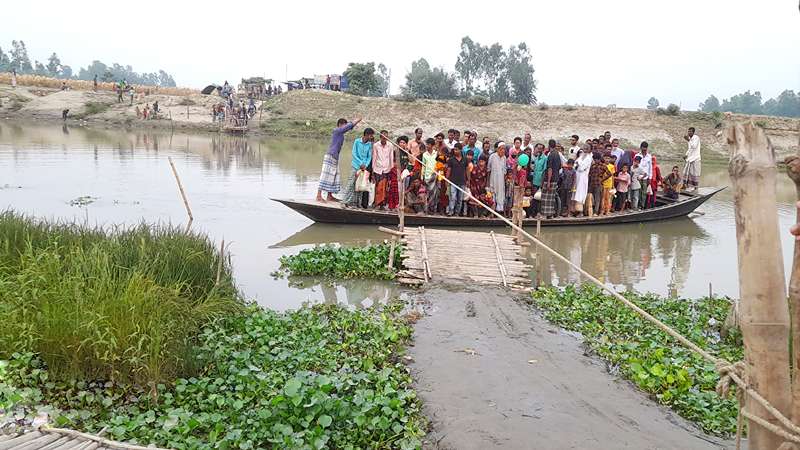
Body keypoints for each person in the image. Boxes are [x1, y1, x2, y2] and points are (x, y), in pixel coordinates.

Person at [317, 117, 361, 202]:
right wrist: (357, 120)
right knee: (325, 175)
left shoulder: (340, 134)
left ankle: (329, 196)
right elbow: (348, 127)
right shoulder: (337, 131)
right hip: (330, 155)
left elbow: (348, 127)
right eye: (344, 125)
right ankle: (318, 195)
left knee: (333, 175)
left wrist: (354, 123)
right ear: (340, 125)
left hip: (335, 157)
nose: (345, 128)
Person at [342, 128, 374, 208]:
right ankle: (345, 201)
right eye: (370, 135)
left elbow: (369, 156)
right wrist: (360, 163)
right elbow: (354, 153)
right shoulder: (357, 141)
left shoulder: (369, 144)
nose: (371, 137)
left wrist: (365, 165)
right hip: (356, 166)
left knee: (360, 186)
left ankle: (357, 203)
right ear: (366, 134)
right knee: (351, 183)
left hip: (364, 168)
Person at [372, 130, 394, 209]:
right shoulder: (376, 145)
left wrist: (391, 169)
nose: (384, 139)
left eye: (386, 137)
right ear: (380, 137)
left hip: (386, 169)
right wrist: (372, 170)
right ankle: (376, 202)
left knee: (384, 187)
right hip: (377, 168)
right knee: (378, 187)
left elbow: (391, 157)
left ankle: (382, 204)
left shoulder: (390, 145)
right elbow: (374, 157)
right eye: (383, 137)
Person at [540, 141, 563, 218]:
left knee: (545, 198)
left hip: (550, 179)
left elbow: (550, 169)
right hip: (556, 178)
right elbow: (560, 166)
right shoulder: (557, 154)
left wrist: (548, 181)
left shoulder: (551, 155)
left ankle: (545, 214)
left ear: (549, 146)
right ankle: (551, 214)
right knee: (551, 197)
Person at [446, 143, 469, 216]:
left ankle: (457, 212)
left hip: (462, 181)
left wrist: (468, 180)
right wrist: (447, 180)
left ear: (461, 150)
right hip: (453, 181)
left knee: (460, 198)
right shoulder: (451, 160)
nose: (455, 151)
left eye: (457, 150)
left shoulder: (465, 159)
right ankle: (451, 211)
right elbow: (448, 170)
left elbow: (467, 170)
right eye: (454, 150)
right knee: (453, 197)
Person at [588, 152, 612, 216]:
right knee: (591, 198)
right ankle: (590, 210)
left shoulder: (603, 165)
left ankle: (596, 212)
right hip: (592, 184)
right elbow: (590, 174)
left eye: (597, 159)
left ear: (599, 159)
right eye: (594, 159)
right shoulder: (592, 166)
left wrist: (602, 179)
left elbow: (609, 174)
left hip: (599, 184)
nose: (595, 161)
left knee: (597, 198)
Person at [572, 144, 592, 215]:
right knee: (575, 191)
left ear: (589, 149)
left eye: (587, 148)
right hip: (577, 176)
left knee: (581, 192)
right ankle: (574, 210)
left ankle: (580, 211)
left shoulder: (589, 158)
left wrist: (578, 164)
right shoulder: (580, 156)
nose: (585, 150)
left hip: (583, 177)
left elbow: (582, 168)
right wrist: (577, 164)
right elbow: (575, 165)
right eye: (584, 148)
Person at [488, 144, 507, 213]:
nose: (503, 151)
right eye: (501, 149)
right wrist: (487, 182)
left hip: (501, 179)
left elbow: (504, 170)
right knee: (492, 193)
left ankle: (499, 210)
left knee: (500, 194)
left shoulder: (504, 158)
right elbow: (488, 169)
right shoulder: (492, 156)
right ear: (497, 149)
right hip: (493, 178)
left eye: (504, 149)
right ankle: (492, 212)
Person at [422, 139, 439, 213]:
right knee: (427, 193)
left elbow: (439, 164)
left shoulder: (436, 153)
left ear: (432, 145)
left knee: (434, 193)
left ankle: (432, 209)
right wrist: (422, 176)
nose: (427, 146)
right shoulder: (424, 154)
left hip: (434, 175)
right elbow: (423, 166)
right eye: (426, 144)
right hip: (427, 176)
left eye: (428, 144)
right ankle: (426, 208)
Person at [683, 127, 701, 191]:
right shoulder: (690, 139)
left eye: (690, 131)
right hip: (690, 159)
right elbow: (690, 149)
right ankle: (686, 185)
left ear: (693, 132)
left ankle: (695, 187)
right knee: (686, 172)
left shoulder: (696, 138)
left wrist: (688, 140)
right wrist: (686, 155)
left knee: (694, 173)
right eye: (688, 131)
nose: (689, 132)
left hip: (695, 158)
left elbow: (694, 146)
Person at [638, 142, 653, 209]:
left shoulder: (649, 156)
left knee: (644, 193)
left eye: (645, 147)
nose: (644, 149)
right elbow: (635, 166)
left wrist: (650, 178)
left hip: (645, 178)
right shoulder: (637, 155)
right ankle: (637, 206)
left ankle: (642, 206)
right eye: (643, 147)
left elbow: (650, 168)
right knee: (638, 192)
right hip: (638, 177)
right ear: (640, 147)